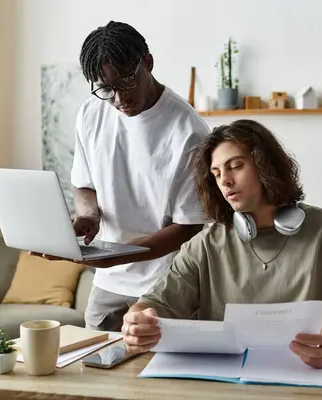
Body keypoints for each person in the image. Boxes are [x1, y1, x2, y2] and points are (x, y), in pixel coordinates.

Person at [120, 119, 322, 370]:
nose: (225, 181)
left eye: (235, 166)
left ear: (265, 164)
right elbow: (157, 303)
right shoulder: (206, 244)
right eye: (216, 173)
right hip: (224, 383)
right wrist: (137, 319)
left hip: (309, 375)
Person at [36, 21, 209, 332]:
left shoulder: (188, 131)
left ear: (148, 62)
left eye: (126, 82)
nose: (118, 98)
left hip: (166, 281)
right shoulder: (91, 112)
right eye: (105, 88)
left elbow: (188, 226)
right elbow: (85, 185)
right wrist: (89, 216)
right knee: (92, 370)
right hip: (109, 280)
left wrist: (116, 256)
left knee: (155, 375)